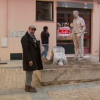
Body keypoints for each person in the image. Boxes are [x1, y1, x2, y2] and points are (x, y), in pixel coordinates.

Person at [21, 25, 43, 93]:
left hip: (33, 58)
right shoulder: (25, 38)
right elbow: (25, 50)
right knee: (29, 72)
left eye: (34, 30)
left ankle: (29, 85)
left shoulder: (32, 37)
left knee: (30, 71)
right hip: (29, 58)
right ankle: (27, 86)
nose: (33, 31)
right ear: (29, 29)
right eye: (32, 30)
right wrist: (29, 59)